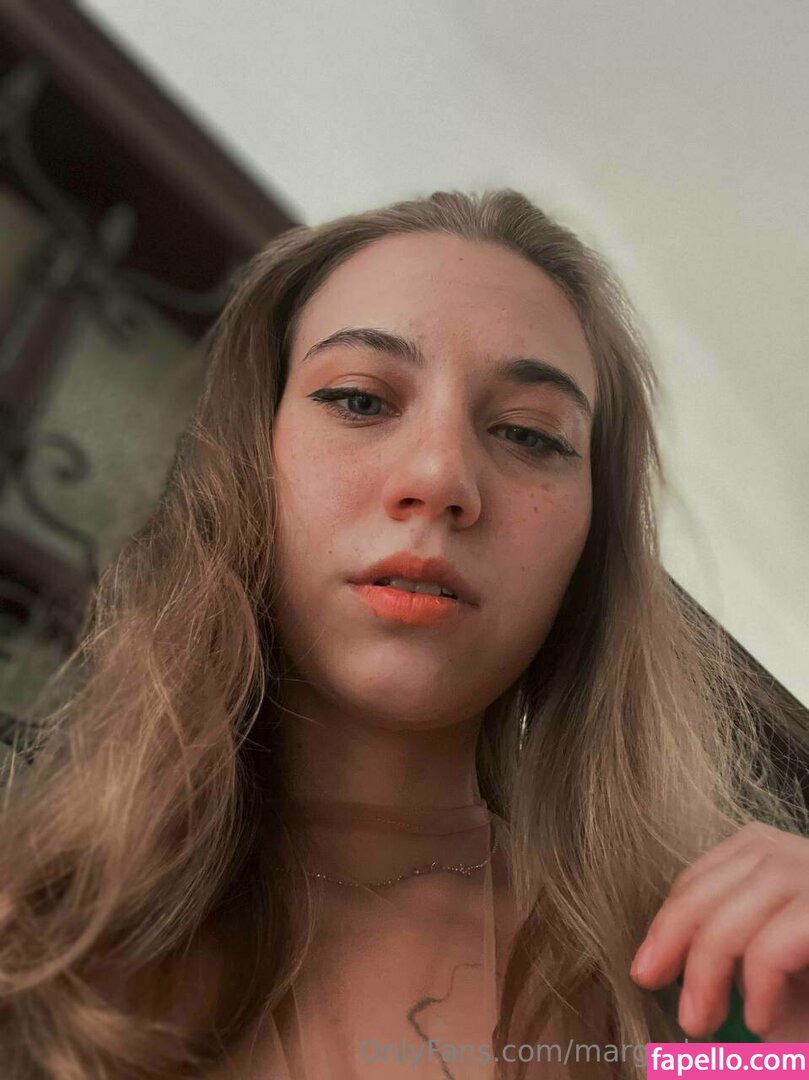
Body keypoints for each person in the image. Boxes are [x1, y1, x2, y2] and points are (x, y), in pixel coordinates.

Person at [0, 189, 807, 1080]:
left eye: (528, 435)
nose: (440, 475)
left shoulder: (685, 1004)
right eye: (357, 399)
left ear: (591, 548)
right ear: (243, 460)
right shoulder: (29, 934)